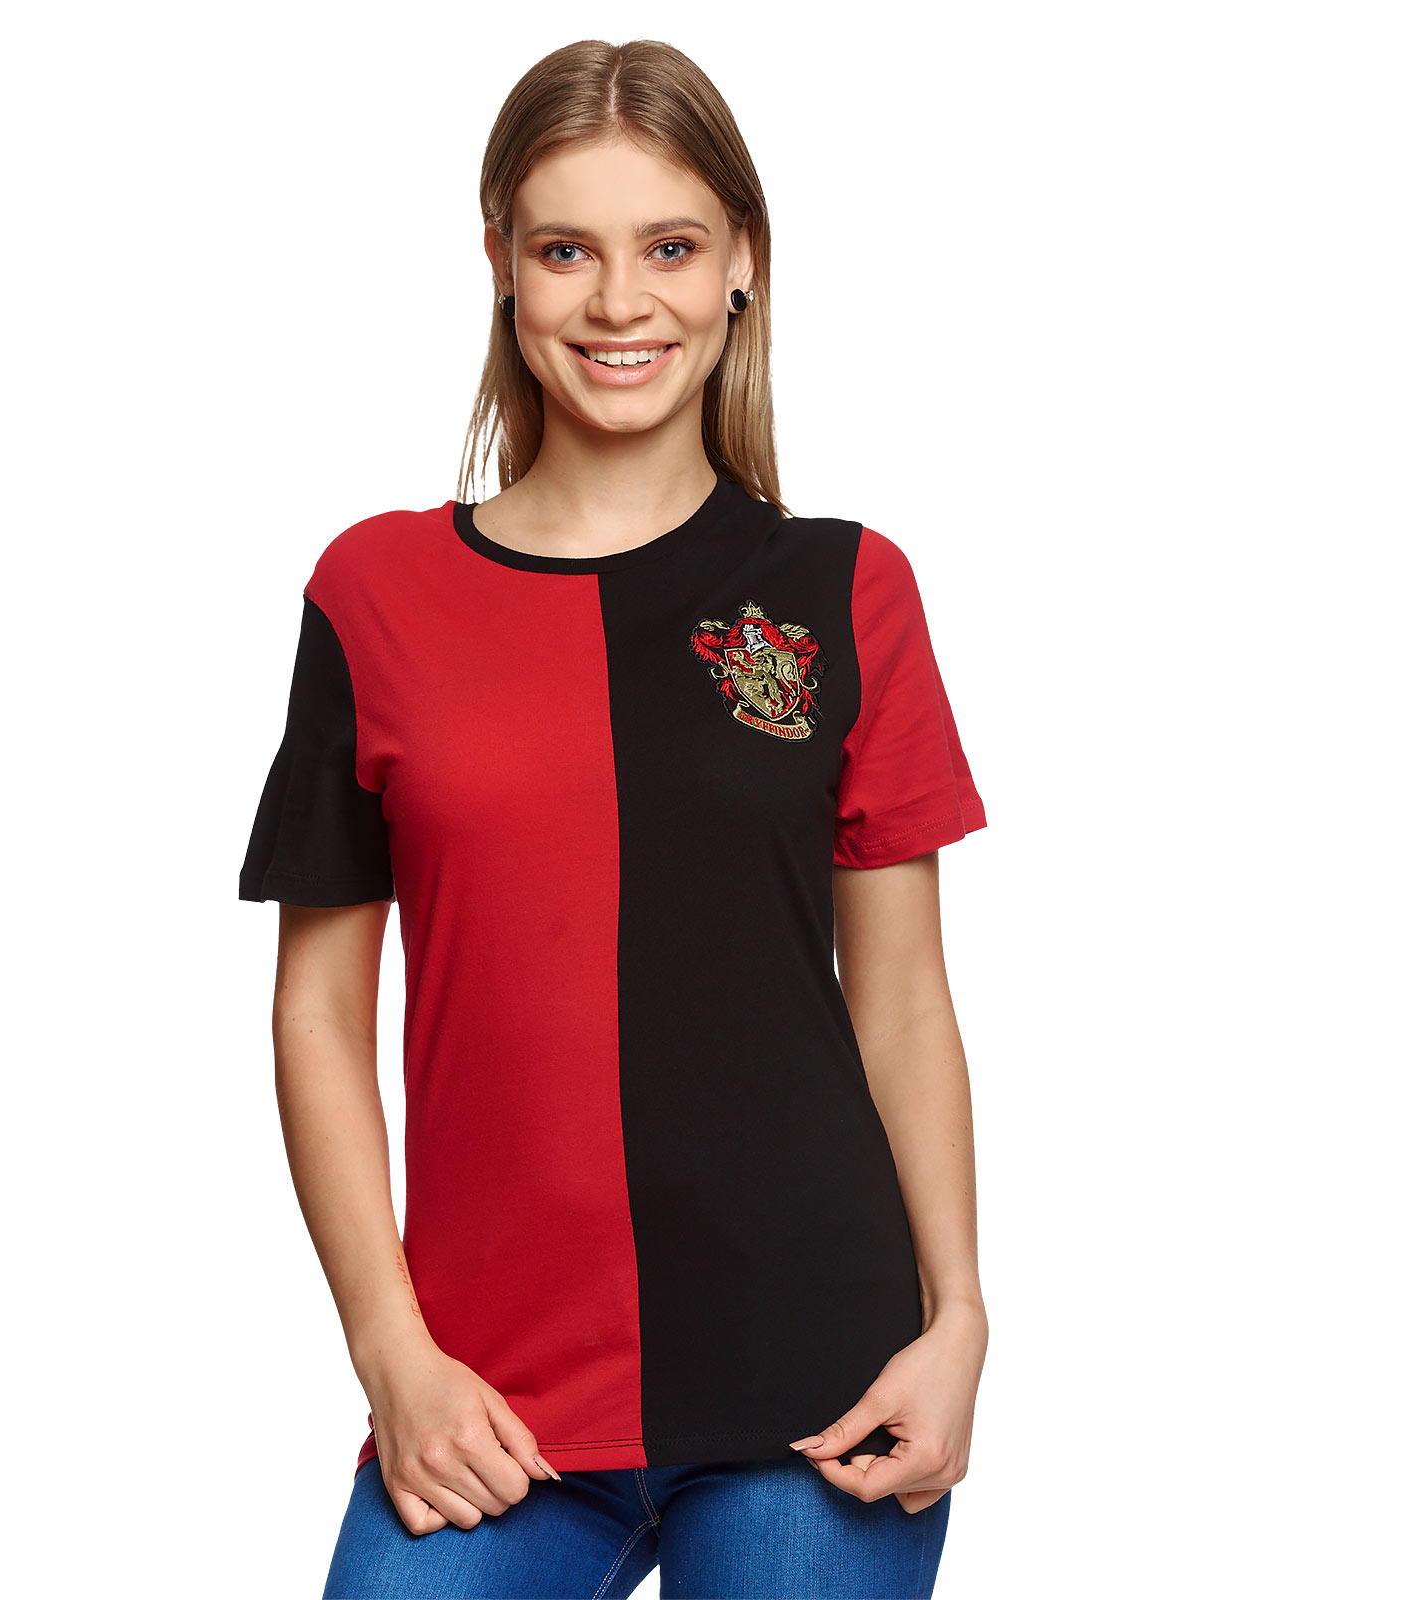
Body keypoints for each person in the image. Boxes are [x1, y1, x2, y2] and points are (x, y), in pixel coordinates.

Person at [239, 37, 989, 1600]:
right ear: (501, 265)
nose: (620, 302)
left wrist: (959, 1318)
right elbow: (317, 1013)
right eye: (567, 249)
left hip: (819, 1389)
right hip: (487, 1401)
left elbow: (905, 998)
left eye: (671, 247)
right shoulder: (375, 592)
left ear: (742, 265)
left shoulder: (848, 589)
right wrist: (391, 1354)